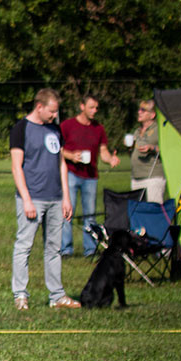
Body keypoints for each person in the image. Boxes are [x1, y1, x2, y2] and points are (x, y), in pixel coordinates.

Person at [10, 88, 80, 310]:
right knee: (24, 246)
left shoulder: (54, 129)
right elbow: (16, 166)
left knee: (54, 248)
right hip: (32, 199)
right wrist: (27, 199)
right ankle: (20, 295)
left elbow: (61, 163)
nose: (54, 116)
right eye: (51, 111)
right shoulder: (21, 129)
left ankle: (57, 296)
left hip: (55, 198)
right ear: (39, 107)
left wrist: (66, 198)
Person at [60, 95, 120, 257]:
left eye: (96, 108)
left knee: (90, 214)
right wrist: (71, 156)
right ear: (82, 106)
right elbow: (57, 149)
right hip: (71, 174)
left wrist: (110, 159)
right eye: (91, 107)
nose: (95, 111)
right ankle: (66, 249)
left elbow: (103, 152)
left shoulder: (98, 128)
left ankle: (90, 249)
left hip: (91, 177)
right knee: (67, 213)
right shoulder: (67, 126)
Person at [129, 99, 164, 203]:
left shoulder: (159, 130)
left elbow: (167, 151)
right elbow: (133, 154)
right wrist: (129, 148)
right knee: (139, 213)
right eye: (139, 109)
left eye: (143, 110)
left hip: (153, 178)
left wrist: (152, 148)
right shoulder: (137, 131)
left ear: (152, 114)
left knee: (153, 211)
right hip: (136, 177)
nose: (139, 112)